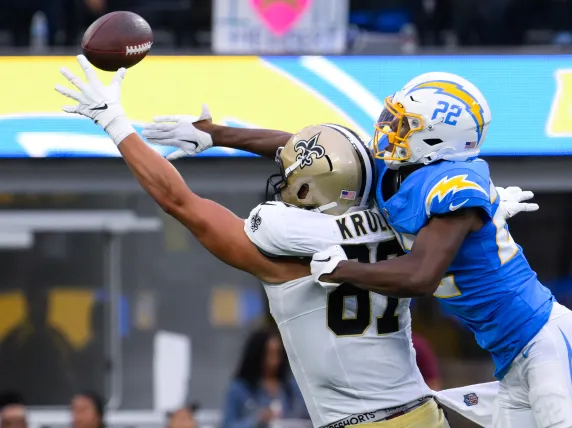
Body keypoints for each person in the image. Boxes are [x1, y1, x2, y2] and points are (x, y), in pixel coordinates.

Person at [54, 56, 536, 427]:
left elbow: (180, 201)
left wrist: (115, 123)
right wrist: (218, 134)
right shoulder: (395, 217)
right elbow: (331, 158)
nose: (282, 181)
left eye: (290, 179)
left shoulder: (283, 250)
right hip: (420, 413)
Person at [303, 71, 572, 428]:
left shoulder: (453, 188)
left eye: (405, 124)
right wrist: (225, 135)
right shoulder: (398, 174)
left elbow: (420, 276)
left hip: (549, 342)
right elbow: (326, 153)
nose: (390, 130)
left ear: (436, 136)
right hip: (513, 359)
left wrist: (342, 270)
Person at [222, 329, 307, 428]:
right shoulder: (240, 389)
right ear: (257, 355)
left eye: (278, 354)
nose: (275, 361)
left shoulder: (292, 387)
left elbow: (306, 417)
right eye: (270, 354)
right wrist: (257, 420)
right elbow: (227, 424)